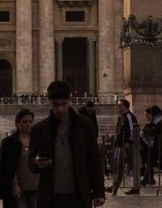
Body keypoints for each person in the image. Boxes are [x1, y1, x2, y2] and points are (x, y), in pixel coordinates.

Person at [27, 80, 104, 208]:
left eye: (64, 104)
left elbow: (94, 160)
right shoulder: (39, 129)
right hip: (50, 196)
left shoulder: (85, 126)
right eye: (56, 105)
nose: (60, 109)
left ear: (70, 101)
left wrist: (98, 192)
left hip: (78, 194)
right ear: (49, 102)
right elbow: (30, 161)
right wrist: (36, 162)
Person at [0, 108, 38, 208]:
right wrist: (14, 184)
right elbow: (6, 166)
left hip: (36, 186)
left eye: (30, 121)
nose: (28, 124)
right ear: (17, 123)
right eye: (25, 121)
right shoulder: (9, 142)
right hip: (18, 187)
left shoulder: (37, 140)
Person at [109, 98, 139, 196]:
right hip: (120, 145)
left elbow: (132, 131)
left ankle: (136, 187)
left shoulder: (129, 116)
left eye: (120, 105)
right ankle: (115, 187)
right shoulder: (121, 117)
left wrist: (128, 142)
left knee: (132, 166)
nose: (118, 107)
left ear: (125, 106)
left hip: (127, 145)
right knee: (119, 167)